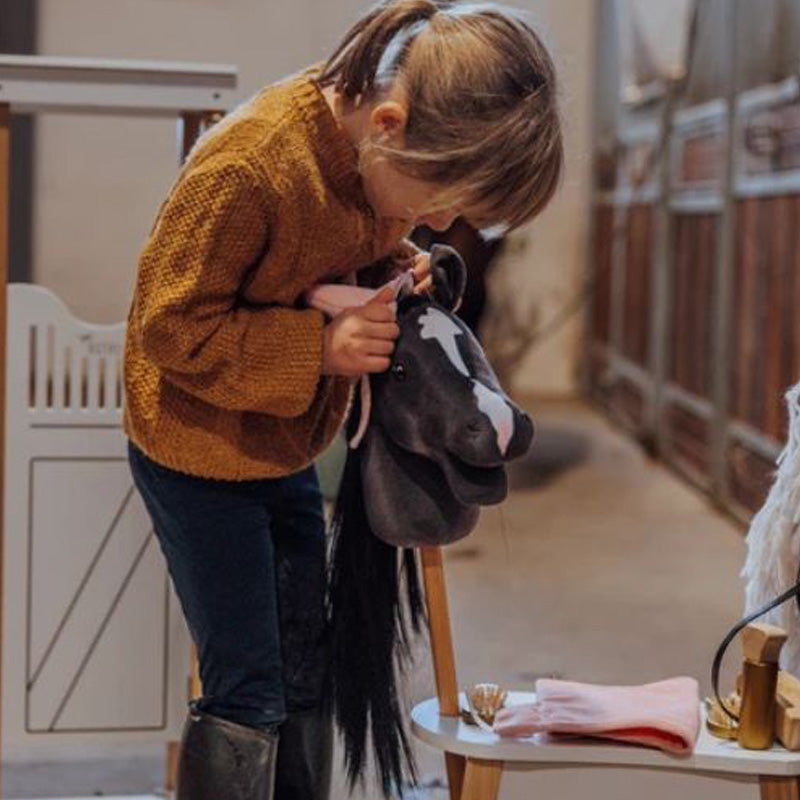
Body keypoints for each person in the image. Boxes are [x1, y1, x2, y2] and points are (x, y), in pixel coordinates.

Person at [123, 1, 563, 798]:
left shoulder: (368, 156)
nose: (434, 223)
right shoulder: (246, 169)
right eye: (432, 206)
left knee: (306, 667)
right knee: (249, 687)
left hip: (280, 439)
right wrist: (320, 351)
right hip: (196, 452)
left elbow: (329, 245)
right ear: (389, 120)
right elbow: (169, 328)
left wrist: (398, 262)